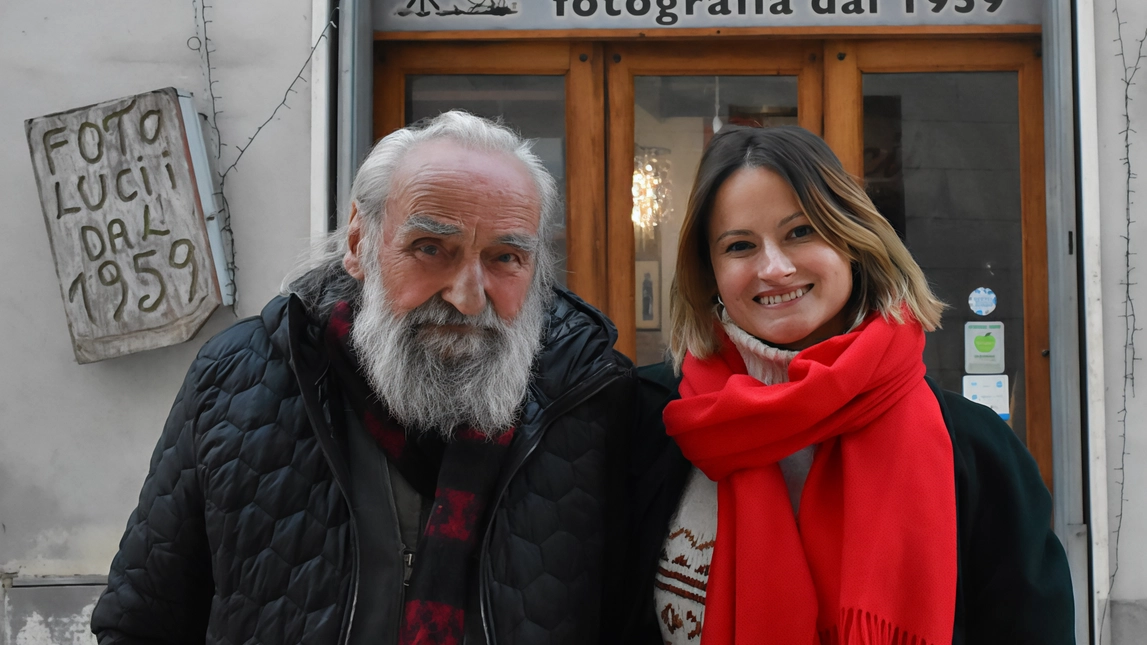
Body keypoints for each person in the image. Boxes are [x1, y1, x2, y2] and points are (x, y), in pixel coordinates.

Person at [90, 111, 637, 645]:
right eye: (430, 248)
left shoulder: (590, 402)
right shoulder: (235, 381)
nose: (468, 298)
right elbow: (142, 621)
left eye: (505, 257)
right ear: (359, 244)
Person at [618, 125, 1074, 644]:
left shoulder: (977, 449)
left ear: (852, 242)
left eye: (801, 232)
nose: (774, 267)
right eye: (740, 245)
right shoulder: (655, 424)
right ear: (710, 272)